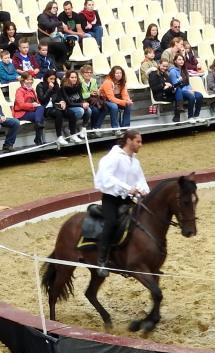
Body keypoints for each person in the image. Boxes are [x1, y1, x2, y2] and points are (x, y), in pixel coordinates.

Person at [92, 128, 147, 277]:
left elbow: (141, 180)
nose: (141, 144)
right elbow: (107, 177)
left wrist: (143, 190)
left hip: (129, 199)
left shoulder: (135, 162)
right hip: (111, 199)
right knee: (111, 223)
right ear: (129, 141)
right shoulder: (113, 157)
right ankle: (102, 260)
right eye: (138, 141)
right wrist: (128, 188)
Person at [11, 74, 46, 144]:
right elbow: (21, 105)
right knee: (40, 117)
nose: (30, 81)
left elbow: (36, 101)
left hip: (30, 110)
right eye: (28, 79)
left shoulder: (32, 90)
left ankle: (37, 126)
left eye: (31, 79)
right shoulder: (19, 91)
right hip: (21, 113)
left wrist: (36, 104)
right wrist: (32, 105)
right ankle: (38, 139)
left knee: (41, 107)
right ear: (23, 80)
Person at [168, 51, 202, 121]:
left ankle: (196, 115)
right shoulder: (172, 71)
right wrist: (179, 80)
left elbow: (187, 83)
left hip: (187, 89)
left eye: (182, 59)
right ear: (175, 61)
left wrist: (190, 89)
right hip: (179, 91)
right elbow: (175, 84)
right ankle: (190, 117)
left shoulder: (184, 70)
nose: (181, 61)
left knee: (199, 96)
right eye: (179, 59)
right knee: (191, 96)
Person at [98, 65, 132, 130]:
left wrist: (127, 101)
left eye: (120, 73)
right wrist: (124, 102)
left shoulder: (122, 81)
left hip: (116, 98)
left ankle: (125, 127)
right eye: (117, 73)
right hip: (105, 100)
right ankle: (115, 129)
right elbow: (111, 98)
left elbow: (124, 94)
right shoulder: (107, 82)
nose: (119, 75)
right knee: (114, 106)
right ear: (113, 74)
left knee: (128, 105)